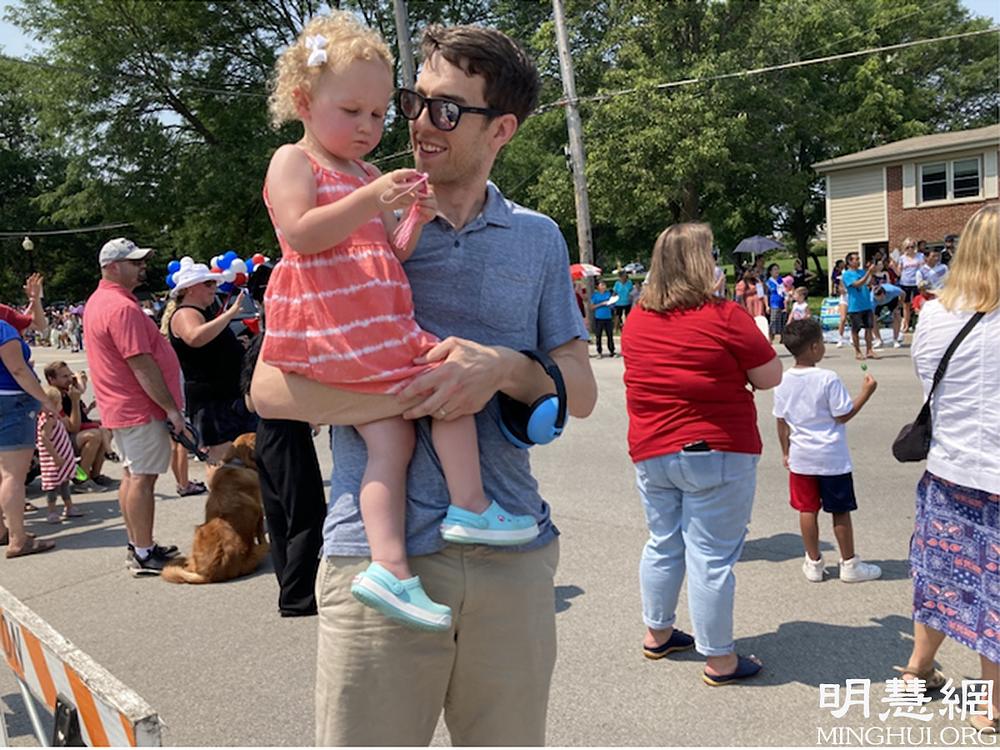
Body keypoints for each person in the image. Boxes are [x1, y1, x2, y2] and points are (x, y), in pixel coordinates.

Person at [251, 21, 596, 745]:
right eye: (414, 101)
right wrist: (417, 398)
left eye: (445, 108)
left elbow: (579, 387)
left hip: (513, 555)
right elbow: (270, 392)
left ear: (501, 128)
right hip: (375, 560)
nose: (412, 123)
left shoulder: (536, 237)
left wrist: (500, 369)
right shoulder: (354, 214)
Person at [262, 15, 542, 631]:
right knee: (439, 389)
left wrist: (410, 214)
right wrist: (370, 199)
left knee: (404, 429)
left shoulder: (366, 175)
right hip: (338, 325)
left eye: (380, 113)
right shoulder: (295, 160)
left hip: (375, 320)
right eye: (353, 110)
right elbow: (301, 235)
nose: (370, 127)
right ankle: (463, 509)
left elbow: (394, 249)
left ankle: (395, 563)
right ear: (304, 102)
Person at [622, 222, 782, 687]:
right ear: (700, 263)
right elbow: (769, 375)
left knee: (663, 542)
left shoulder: (638, 320)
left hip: (652, 450)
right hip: (716, 448)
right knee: (710, 556)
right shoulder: (724, 315)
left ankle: (659, 632)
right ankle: (720, 660)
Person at [897, 204, 999, 733]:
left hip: (949, 468)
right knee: (996, 590)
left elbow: (926, 384)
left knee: (941, 574)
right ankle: (992, 704)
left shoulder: (933, 315)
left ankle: (918, 667)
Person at [83, 237, 183, 576]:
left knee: (131, 476)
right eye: (134, 262)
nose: (142, 267)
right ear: (112, 267)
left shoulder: (99, 301)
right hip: (138, 408)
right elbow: (141, 363)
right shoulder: (121, 307)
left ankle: (139, 544)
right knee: (142, 479)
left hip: (120, 408)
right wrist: (171, 409)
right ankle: (143, 552)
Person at [772, 319, 882, 584]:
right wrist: (866, 392)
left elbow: (781, 421)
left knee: (807, 509)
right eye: (821, 342)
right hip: (831, 458)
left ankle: (813, 561)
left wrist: (785, 451)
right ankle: (849, 563)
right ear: (813, 347)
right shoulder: (827, 378)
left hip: (801, 457)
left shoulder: (783, 380)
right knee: (840, 510)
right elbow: (843, 415)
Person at [243, 336, 326, 618]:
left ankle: (289, 587)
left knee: (279, 518)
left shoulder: (257, 348)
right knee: (307, 515)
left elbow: (250, 402)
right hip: (289, 433)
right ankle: (298, 595)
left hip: (265, 433)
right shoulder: (283, 347)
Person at [167, 263, 256, 466]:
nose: (213, 288)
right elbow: (194, 337)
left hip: (228, 395)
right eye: (208, 283)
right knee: (224, 459)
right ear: (191, 288)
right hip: (213, 400)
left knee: (245, 454)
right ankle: (226, 495)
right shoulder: (185, 313)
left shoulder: (204, 312)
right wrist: (230, 313)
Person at [0, 316, 58, 557]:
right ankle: (18, 538)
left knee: (2, 473)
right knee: (13, 474)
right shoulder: (3, 329)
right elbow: (18, 369)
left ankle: (4, 530)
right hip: (12, 400)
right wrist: (44, 399)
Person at [157, 299, 206, 497]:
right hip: (179, 392)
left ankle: (181, 482)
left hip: (165, 394)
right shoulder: (180, 340)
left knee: (174, 443)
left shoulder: (161, 342)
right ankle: (184, 484)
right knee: (182, 441)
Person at [42, 362, 114, 490]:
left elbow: (80, 417)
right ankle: (81, 480)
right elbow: (73, 428)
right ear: (51, 379)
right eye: (64, 376)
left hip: (67, 437)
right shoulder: (53, 397)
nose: (69, 379)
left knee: (107, 428)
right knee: (94, 435)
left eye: (70, 375)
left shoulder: (67, 391)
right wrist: (75, 401)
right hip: (58, 441)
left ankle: (95, 475)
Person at [36, 385, 83, 524]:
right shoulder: (48, 419)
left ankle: (69, 507)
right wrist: (55, 457)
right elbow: (44, 438)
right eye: (59, 402)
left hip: (63, 456)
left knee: (64, 483)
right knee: (52, 486)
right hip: (54, 459)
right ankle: (51, 511)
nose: (61, 405)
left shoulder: (55, 417)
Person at [841, 252, 878, 361]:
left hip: (866, 304)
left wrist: (872, 273)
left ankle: (869, 350)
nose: (858, 261)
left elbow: (869, 282)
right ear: (849, 262)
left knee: (869, 328)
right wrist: (868, 273)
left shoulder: (862, 271)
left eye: (858, 259)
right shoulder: (847, 274)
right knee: (855, 330)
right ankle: (857, 351)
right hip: (855, 306)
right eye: (855, 259)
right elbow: (857, 284)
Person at [893, 237, 925, 337]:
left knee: (918, 304)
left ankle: (919, 324)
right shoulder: (902, 258)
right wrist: (893, 266)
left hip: (917, 283)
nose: (910, 249)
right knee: (906, 305)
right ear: (904, 248)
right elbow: (899, 273)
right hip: (905, 283)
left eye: (912, 246)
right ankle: (906, 324)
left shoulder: (920, 256)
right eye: (907, 247)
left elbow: (923, 269)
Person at [871, 283, 903, 348]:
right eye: (877, 298)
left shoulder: (893, 290)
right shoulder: (872, 299)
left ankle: (895, 340)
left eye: (881, 298)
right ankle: (878, 340)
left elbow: (903, 294)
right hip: (877, 305)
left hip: (892, 300)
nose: (880, 300)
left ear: (884, 294)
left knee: (897, 315)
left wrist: (899, 305)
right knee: (872, 319)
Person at [590, 279, 616, 357]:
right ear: (598, 287)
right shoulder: (595, 295)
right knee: (599, 335)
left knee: (610, 335)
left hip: (608, 317)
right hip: (599, 317)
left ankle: (612, 350)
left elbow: (612, 303)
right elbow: (592, 307)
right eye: (601, 285)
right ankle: (599, 351)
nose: (603, 287)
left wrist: (611, 305)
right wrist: (602, 304)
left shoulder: (608, 294)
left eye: (604, 285)